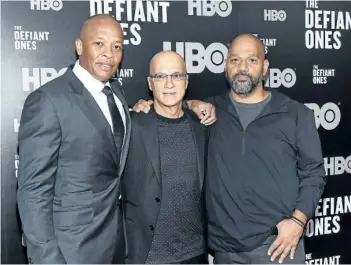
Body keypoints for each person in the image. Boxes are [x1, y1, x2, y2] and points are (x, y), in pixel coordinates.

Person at [133, 33, 327, 264]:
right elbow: (171, 101)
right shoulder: (209, 111)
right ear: (225, 66)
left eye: (251, 60)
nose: (242, 67)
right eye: (235, 60)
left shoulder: (296, 114)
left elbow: (314, 174)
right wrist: (166, 104)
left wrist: (298, 221)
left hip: (278, 246)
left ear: (265, 67)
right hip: (225, 251)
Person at [17, 15, 131, 264]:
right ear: (80, 46)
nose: (109, 54)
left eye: (117, 46)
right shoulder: (48, 100)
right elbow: (33, 191)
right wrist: (46, 257)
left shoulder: (118, 93)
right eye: (99, 44)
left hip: (118, 245)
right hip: (71, 249)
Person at [122, 51, 209, 264]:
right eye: (160, 76)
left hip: (195, 254)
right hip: (148, 257)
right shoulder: (131, 125)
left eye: (177, 75)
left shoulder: (203, 127)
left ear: (186, 81)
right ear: (150, 84)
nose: (169, 83)